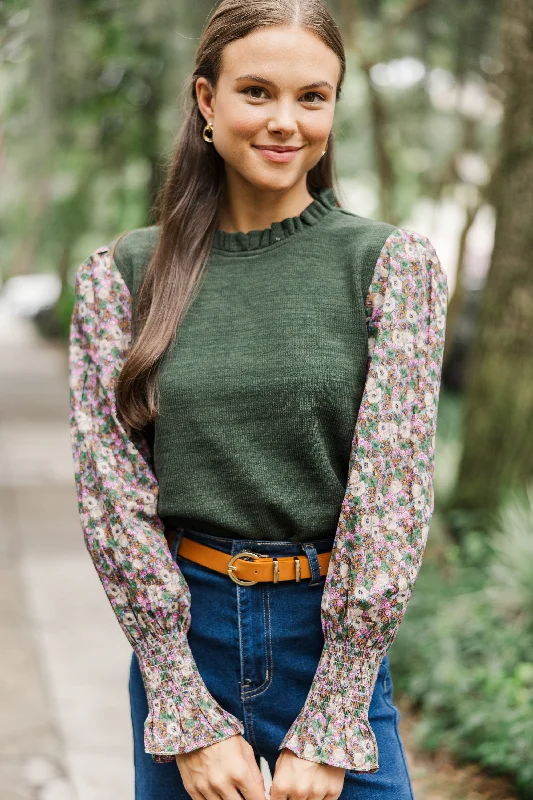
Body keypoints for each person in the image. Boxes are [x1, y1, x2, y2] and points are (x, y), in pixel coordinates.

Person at [68, 1, 448, 798]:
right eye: (256, 92)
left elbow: (391, 495)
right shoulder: (121, 276)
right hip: (184, 637)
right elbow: (112, 498)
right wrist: (183, 707)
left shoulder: (390, 266)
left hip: (333, 638)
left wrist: (336, 713)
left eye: (312, 97)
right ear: (206, 101)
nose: (285, 122)